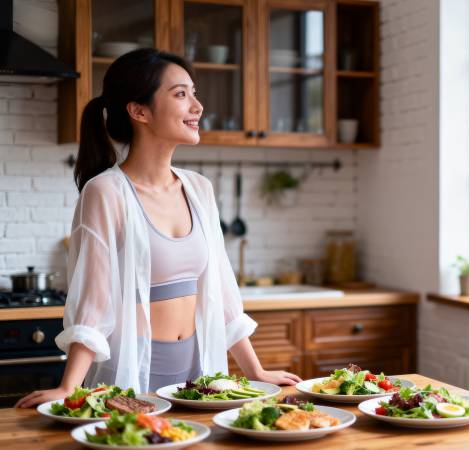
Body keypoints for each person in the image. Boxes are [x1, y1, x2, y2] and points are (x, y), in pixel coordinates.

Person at [16, 48, 301, 408]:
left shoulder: (199, 189)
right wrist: (70, 386)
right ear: (139, 111)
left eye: (193, 93)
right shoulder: (106, 192)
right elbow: (93, 298)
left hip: (200, 374)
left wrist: (255, 371)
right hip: (133, 373)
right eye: (181, 94)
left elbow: (220, 292)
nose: (197, 106)